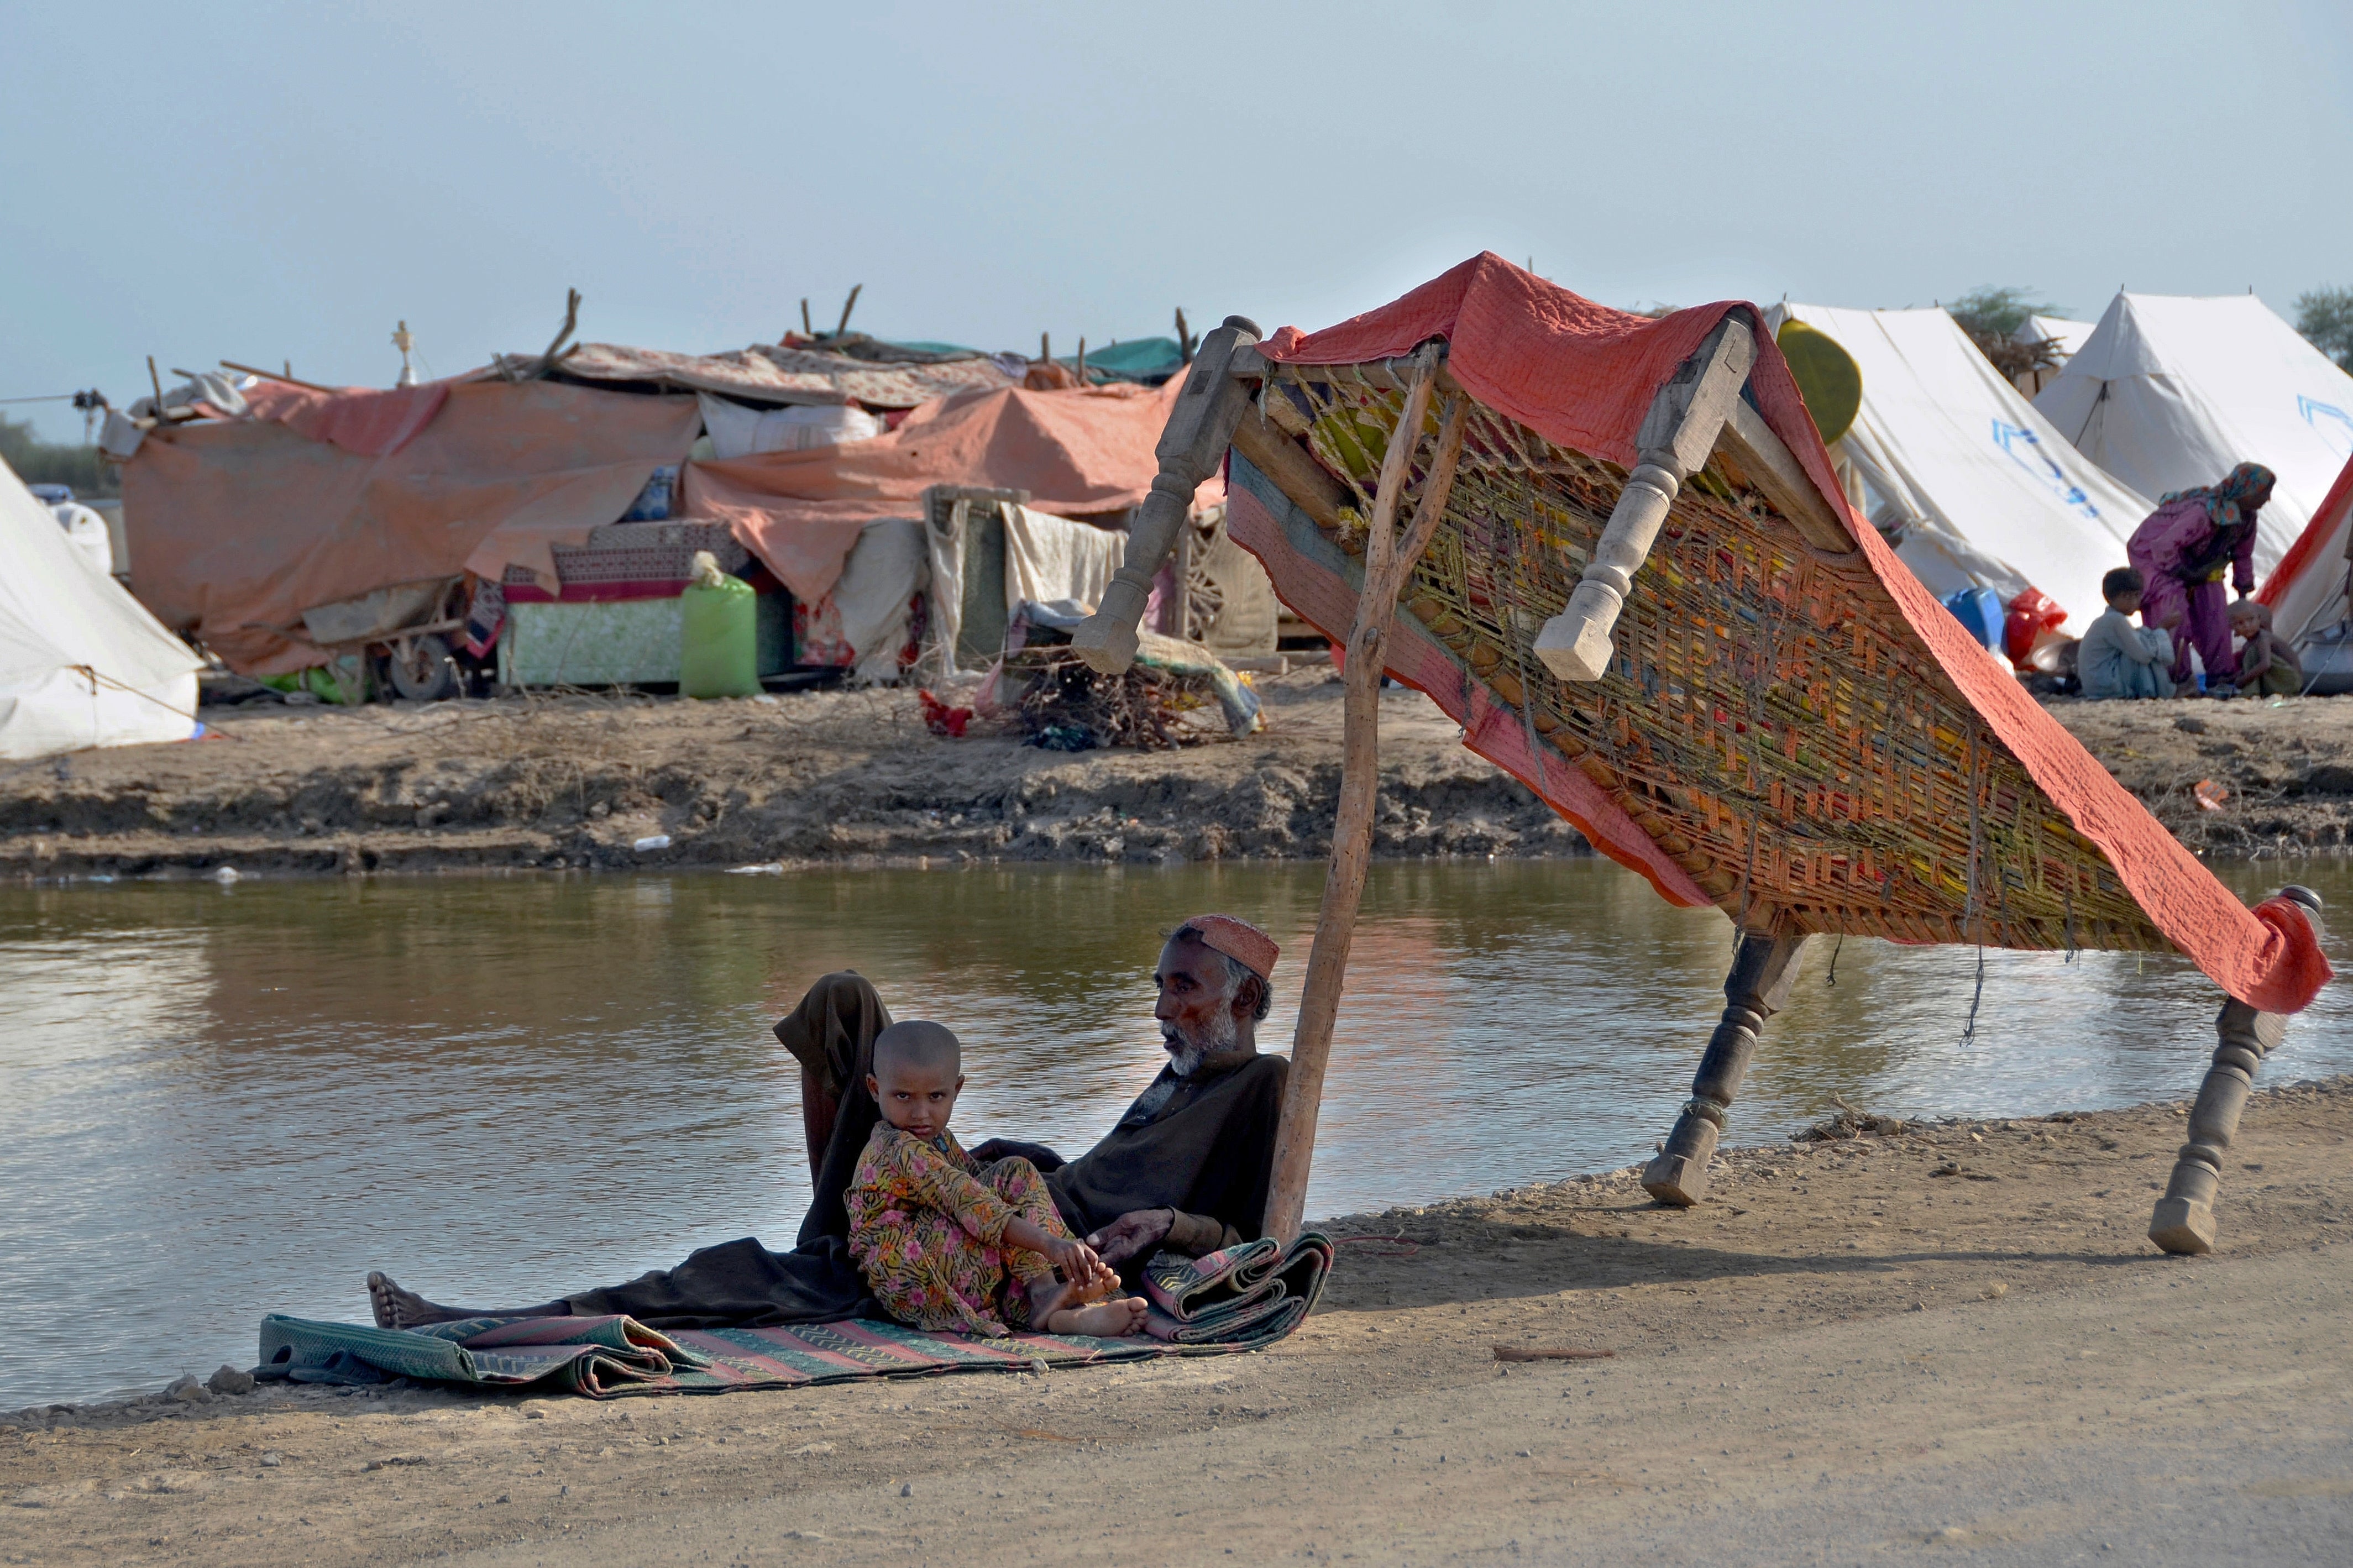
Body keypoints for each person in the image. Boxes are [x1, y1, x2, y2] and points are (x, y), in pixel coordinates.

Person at [365, 915, 1288, 1331]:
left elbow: (1254, 1233)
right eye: (1159, 985)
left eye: (1182, 987)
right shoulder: (1182, 1070)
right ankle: (838, 1219)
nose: (1159, 1006)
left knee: (729, 1274)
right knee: (846, 1002)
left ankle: (480, 1321)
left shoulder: (1261, 1084)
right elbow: (1097, 1170)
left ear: (1242, 1000)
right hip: (997, 1196)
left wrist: (1170, 1224)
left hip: (997, 1244)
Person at [846, 1020, 1146, 1338]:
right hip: (914, 1273)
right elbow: (972, 1203)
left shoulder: (937, 1138)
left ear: (956, 1090)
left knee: (1016, 1171)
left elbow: (980, 1182)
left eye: (935, 1096)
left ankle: (1057, 1312)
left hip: (953, 1258)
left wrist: (1043, 1231)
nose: (921, 1113)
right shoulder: (897, 1147)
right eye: (903, 1096)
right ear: (875, 1089)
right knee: (996, 1208)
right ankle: (1045, 1297)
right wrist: (1050, 1244)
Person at [2125, 462, 2275, 697]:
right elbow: (2164, 546)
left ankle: (2222, 678)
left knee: (2215, 612)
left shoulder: (2247, 518)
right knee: (2174, 612)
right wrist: (2187, 575)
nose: (2268, 499)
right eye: (2264, 492)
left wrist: (2243, 600)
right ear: (2246, 490)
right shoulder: (2203, 512)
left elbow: (2243, 555)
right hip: (2154, 557)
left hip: (2198, 562)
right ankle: (2176, 681)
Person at [2076, 568, 2173, 700]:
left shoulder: (2111, 619)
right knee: (2143, 652)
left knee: (2143, 636)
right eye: (2126, 597)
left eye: (2137, 596)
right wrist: (2162, 629)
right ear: (2111, 598)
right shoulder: (2115, 620)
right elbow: (2144, 654)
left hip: (2096, 685)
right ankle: (2164, 691)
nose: (2133, 602)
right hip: (2105, 685)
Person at [2229, 599, 2303, 698]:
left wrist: (2243, 680)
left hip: (2291, 681)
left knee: (2253, 653)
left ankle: (2252, 693)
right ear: (2233, 628)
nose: (2247, 626)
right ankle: (2254, 692)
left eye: (2251, 620)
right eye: (2240, 623)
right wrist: (2230, 679)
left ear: (2259, 619)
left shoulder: (2263, 638)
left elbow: (2265, 664)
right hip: (2277, 681)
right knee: (2250, 653)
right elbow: (2247, 669)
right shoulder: (2247, 645)